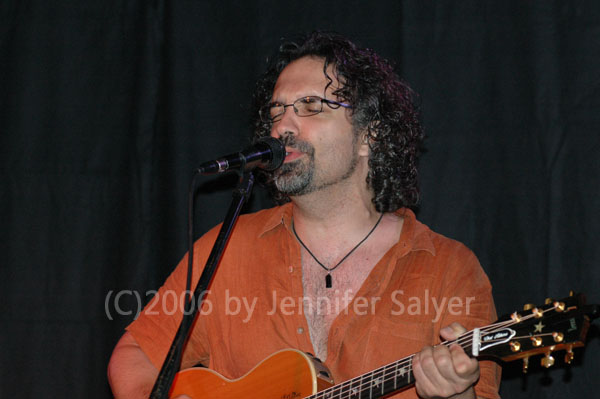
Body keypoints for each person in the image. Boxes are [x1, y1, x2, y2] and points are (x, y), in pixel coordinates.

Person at [108, 32, 501, 399]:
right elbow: (134, 355)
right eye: (277, 110)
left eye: (311, 106)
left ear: (370, 137)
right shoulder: (230, 247)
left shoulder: (449, 270)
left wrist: (457, 392)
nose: (282, 126)